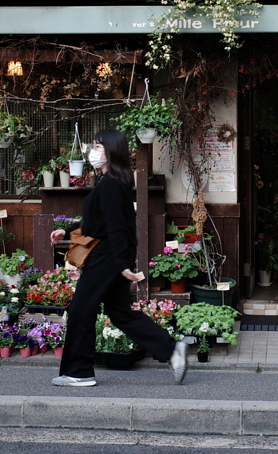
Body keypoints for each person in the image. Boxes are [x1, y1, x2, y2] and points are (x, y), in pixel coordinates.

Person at [49, 129, 188, 387]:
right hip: (111, 257)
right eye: (93, 146)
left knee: (81, 310)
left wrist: (122, 265)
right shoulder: (109, 182)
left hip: (106, 258)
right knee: (121, 314)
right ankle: (171, 350)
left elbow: (117, 228)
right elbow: (97, 221)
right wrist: (66, 230)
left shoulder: (111, 184)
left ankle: (79, 372)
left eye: (98, 147)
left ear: (112, 152)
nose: (92, 152)